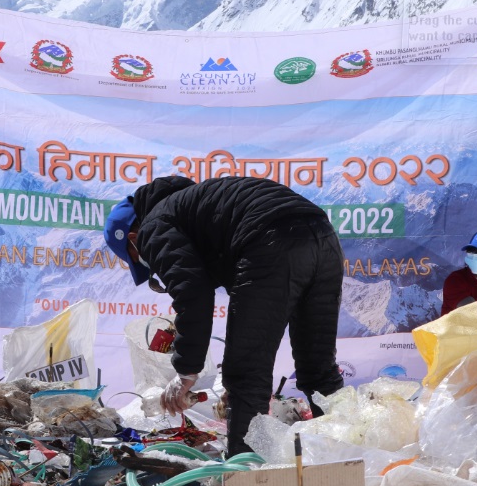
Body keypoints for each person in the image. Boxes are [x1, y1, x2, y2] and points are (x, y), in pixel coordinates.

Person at [104, 175, 345, 456]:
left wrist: (185, 372)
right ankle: (351, 457)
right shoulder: (198, 206)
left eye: (139, 259)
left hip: (269, 241)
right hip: (324, 238)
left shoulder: (154, 226)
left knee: (246, 375)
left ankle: (247, 481)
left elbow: (193, 293)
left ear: (133, 239)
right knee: (319, 371)